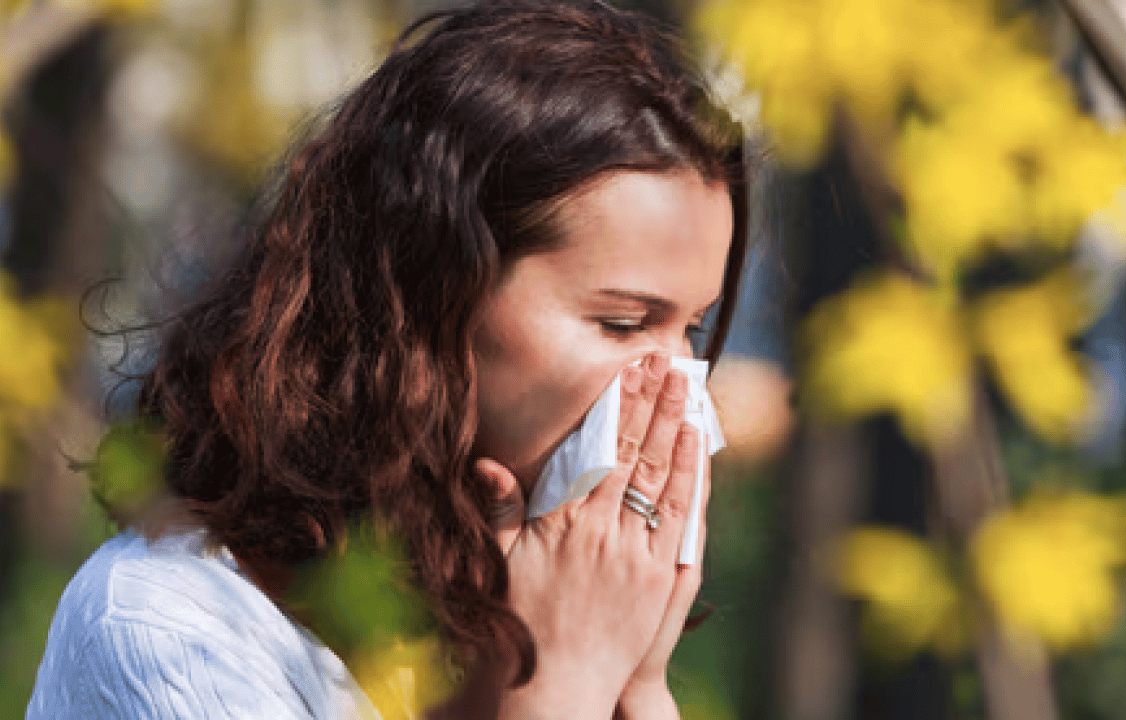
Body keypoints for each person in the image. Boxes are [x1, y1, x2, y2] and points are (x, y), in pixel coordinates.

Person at [25, 1, 748, 718]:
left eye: (694, 328)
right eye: (623, 323)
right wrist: (561, 684)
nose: (683, 398)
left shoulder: (481, 606)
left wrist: (634, 685)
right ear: (431, 295)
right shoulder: (172, 630)